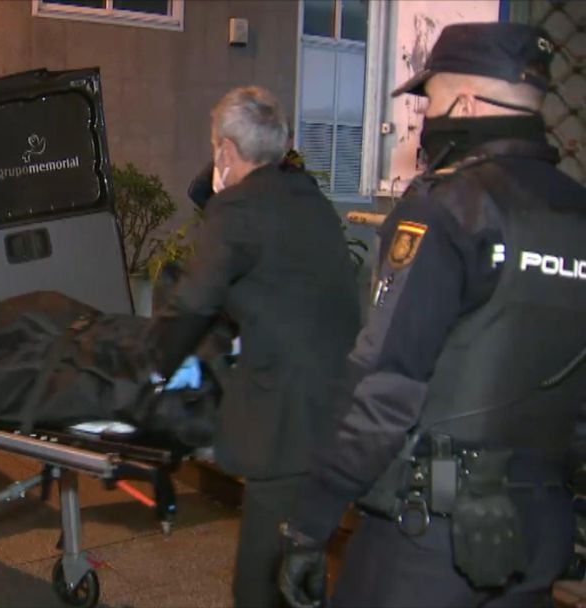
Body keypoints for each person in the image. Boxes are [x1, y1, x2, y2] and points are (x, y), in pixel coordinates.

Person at [279, 22, 586, 608]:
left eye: (434, 100)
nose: (426, 120)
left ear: (465, 103)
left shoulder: (451, 208)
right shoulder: (577, 214)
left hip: (430, 538)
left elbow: (386, 381)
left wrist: (311, 521)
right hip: (538, 528)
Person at [149, 85, 361, 607]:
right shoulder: (306, 198)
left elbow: (193, 300)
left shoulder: (240, 208)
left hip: (289, 417)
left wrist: (154, 368)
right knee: (297, 571)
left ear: (224, 150)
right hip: (335, 403)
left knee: (260, 585)